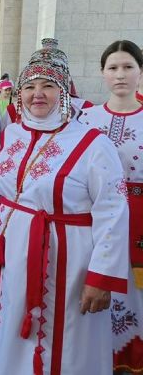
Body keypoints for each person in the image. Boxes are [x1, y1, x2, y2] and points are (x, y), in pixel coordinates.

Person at [0, 40, 129, 375]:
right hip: (13, 260)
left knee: (64, 343)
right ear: (19, 93)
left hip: (69, 263)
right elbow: (1, 195)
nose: (38, 94)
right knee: (9, 331)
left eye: (48, 86)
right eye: (30, 86)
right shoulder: (11, 136)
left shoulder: (93, 143)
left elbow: (113, 210)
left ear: (64, 93)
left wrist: (101, 277)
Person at [79, 40, 143, 373]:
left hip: (139, 225)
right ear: (102, 73)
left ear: (140, 72)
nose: (120, 75)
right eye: (113, 68)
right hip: (89, 223)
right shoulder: (83, 118)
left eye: (128, 67)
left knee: (135, 299)